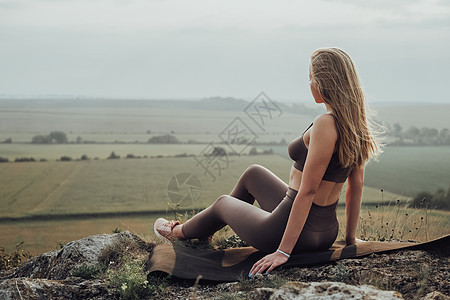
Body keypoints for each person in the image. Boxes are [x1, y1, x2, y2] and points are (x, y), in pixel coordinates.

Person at [154, 47, 382, 277]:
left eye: (311, 77)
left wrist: (283, 252)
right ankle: (203, 233)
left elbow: (308, 192)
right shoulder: (355, 125)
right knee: (254, 174)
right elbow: (356, 186)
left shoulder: (325, 124)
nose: (309, 83)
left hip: (288, 231)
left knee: (223, 203)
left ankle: (180, 232)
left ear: (324, 82)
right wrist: (350, 239)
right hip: (325, 232)